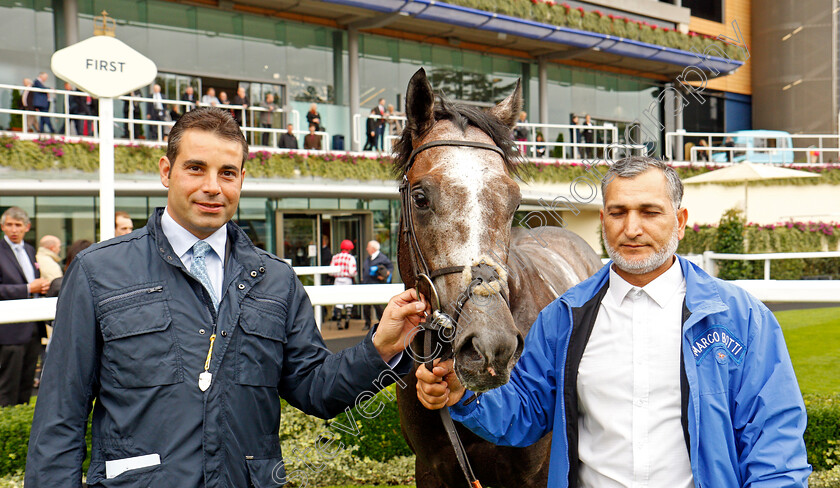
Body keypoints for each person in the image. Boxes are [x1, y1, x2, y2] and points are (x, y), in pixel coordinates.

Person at [25, 107, 425, 487]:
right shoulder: (99, 272)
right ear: (167, 171)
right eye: (196, 168)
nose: (212, 187)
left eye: (227, 173)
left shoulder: (277, 280)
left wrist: (379, 347)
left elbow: (316, 389)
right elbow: (60, 417)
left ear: (241, 180)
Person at [417, 156, 811, 487]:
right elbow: (524, 413)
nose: (632, 228)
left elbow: (774, 444)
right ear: (604, 220)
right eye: (619, 213)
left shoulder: (742, 319)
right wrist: (465, 395)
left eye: (650, 212)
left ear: (680, 220)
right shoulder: (564, 318)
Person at [0, 207, 50, 407]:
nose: (14, 229)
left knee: (26, 388)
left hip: (32, 330)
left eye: (18, 225)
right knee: (7, 389)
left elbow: (32, 282)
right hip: (9, 332)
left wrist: (41, 287)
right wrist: (28, 288)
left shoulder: (30, 250)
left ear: (27, 227)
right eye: (10, 224)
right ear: (2, 226)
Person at [361, 240, 393, 331]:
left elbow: (390, 268)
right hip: (367, 285)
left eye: (368, 247)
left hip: (376, 286)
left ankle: (382, 323)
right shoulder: (368, 258)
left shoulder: (382, 258)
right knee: (366, 306)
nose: (367, 249)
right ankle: (367, 323)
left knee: (378, 306)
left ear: (373, 249)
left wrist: (386, 274)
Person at [329, 239, 357, 330]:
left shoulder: (335, 257)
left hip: (337, 280)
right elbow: (352, 272)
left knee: (338, 300)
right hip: (347, 279)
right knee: (348, 299)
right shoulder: (350, 258)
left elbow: (330, 271)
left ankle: (338, 321)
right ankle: (347, 318)